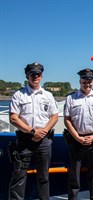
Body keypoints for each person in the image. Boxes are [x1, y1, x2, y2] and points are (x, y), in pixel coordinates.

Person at [8, 62, 59, 199]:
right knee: (19, 176)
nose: (35, 76)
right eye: (32, 74)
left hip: (44, 141)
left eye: (38, 74)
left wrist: (44, 131)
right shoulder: (19, 95)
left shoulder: (48, 95)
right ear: (27, 75)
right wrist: (32, 131)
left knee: (44, 177)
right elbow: (13, 118)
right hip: (25, 141)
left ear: (41, 76)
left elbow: (54, 116)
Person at [64, 68, 93, 200]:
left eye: (89, 81)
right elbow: (67, 119)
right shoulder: (71, 98)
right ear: (80, 81)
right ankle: (73, 197)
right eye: (84, 81)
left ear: (92, 82)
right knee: (74, 172)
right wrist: (77, 137)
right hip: (76, 140)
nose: (87, 84)